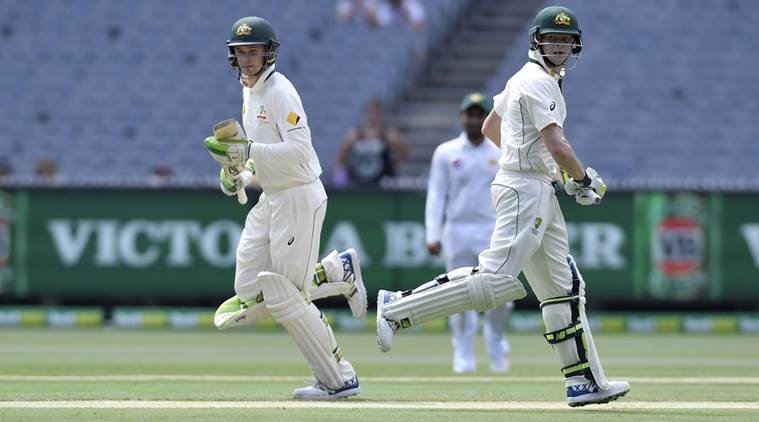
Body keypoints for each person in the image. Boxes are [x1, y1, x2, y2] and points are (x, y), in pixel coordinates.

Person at [376, 6, 630, 407]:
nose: (560, 47)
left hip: (534, 185)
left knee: (563, 290)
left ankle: (583, 382)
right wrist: (579, 179)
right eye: (552, 39)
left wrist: (547, 171)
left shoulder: (523, 79)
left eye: (565, 41)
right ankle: (397, 307)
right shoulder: (537, 82)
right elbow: (558, 144)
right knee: (496, 279)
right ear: (537, 41)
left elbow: (489, 128)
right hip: (523, 189)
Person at [206, 16, 367, 400]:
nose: (247, 59)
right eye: (241, 52)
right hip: (272, 197)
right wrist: (243, 175)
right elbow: (262, 156)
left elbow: (300, 152)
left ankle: (339, 378)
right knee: (248, 288)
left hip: (299, 195)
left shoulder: (280, 92)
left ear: (269, 53)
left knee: (287, 296)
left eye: (254, 52)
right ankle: (336, 270)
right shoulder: (249, 92)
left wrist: (246, 152)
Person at [426, 93, 511, 373]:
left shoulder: (501, 150)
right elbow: (437, 195)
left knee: (499, 291)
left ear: (487, 117)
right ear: (461, 116)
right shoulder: (446, 152)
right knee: (457, 293)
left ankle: (495, 339)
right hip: (457, 229)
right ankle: (462, 350)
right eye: (470, 114)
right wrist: (433, 233)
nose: (474, 119)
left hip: (491, 229)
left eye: (479, 114)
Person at [333, 99, 407, 186]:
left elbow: (403, 153)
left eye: (375, 112)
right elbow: (339, 157)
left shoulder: (387, 134)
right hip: (358, 183)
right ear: (365, 113)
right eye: (370, 112)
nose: (372, 116)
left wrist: (394, 162)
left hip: (382, 183)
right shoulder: (355, 134)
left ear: (380, 114)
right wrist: (342, 177)